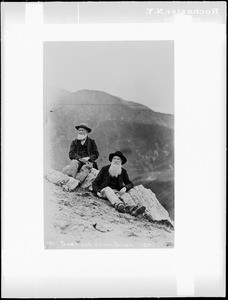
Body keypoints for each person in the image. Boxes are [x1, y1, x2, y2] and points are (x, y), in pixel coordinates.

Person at [92, 151, 146, 216]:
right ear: (111, 160)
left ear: (121, 162)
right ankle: (119, 205)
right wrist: (97, 192)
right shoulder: (105, 169)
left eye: (118, 159)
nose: (116, 160)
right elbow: (95, 183)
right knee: (108, 189)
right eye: (114, 158)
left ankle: (133, 209)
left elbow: (130, 183)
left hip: (117, 192)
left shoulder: (123, 171)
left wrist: (125, 188)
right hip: (105, 191)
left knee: (125, 195)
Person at [62, 122, 99, 190]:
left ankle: (76, 182)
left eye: (83, 130)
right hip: (78, 160)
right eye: (79, 130)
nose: (81, 132)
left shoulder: (91, 142)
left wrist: (88, 158)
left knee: (87, 167)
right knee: (73, 162)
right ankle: (70, 180)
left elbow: (96, 154)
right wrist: (79, 158)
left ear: (87, 132)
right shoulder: (74, 142)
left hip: (88, 162)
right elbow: (71, 154)